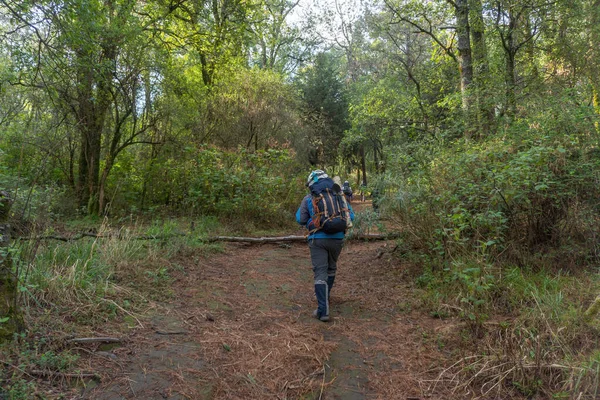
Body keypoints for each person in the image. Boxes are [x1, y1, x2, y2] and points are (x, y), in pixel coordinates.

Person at [296, 170, 355, 322]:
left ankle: (323, 310)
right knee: (331, 268)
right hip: (338, 239)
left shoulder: (310, 197)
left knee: (320, 272)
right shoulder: (339, 196)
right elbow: (352, 217)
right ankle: (326, 297)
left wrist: (314, 220)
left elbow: (300, 219)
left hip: (318, 240)